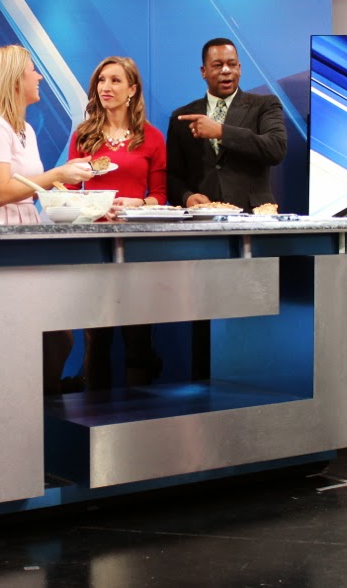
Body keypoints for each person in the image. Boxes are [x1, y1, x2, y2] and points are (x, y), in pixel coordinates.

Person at [0, 44, 94, 393]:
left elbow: (29, 188)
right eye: (31, 71)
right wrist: (58, 173)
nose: (38, 76)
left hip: (25, 235)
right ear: (13, 80)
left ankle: (38, 405)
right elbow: (0, 191)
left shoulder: (25, 128)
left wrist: (77, 198)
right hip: (1, 239)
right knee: (35, 337)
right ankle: (19, 406)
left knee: (55, 337)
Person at [68, 56, 166, 389]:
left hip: (137, 245)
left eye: (115, 80)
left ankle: (140, 411)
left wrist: (139, 202)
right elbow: (67, 193)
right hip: (94, 245)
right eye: (101, 80)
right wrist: (94, 206)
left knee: (138, 334)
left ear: (132, 90)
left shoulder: (152, 138)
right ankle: (95, 410)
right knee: (96, 336)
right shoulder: (83, 136)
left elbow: (160, 196)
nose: (106, 87)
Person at [166, 38, 287, 211]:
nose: (226, 70)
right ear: (204, 71)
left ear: (239, 68)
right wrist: (187, 197)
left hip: (253, 216)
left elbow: (276, 148)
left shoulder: (264, 105)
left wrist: (222, 132)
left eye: (232, 64)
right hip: (202, 218)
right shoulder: (182, 117)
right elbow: (172, 177)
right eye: (217, 65)